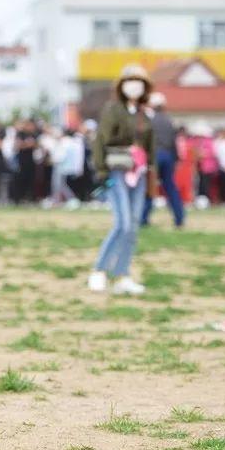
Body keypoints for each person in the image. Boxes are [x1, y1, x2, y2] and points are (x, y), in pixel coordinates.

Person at [88, 63, 154, 295]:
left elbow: (150, 146)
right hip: (116, 170)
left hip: (139, 173)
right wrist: (101, 170)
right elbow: (100, 140)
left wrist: (151, 172)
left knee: (133, 227)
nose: (134, 86)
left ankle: (122, 275)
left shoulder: (144, 113)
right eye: (130, 81)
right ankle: (99, 270)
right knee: (122, 223)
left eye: (139, 82)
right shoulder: (113, 109)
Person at [140, 92, 184, 227]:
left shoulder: (150, 121)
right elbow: (174, 142)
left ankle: (143, 218)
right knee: (170, 187)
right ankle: (179, 218)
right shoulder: (169, 121)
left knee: (150, 186)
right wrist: (176, 160)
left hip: (154, 155)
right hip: (168, 155)